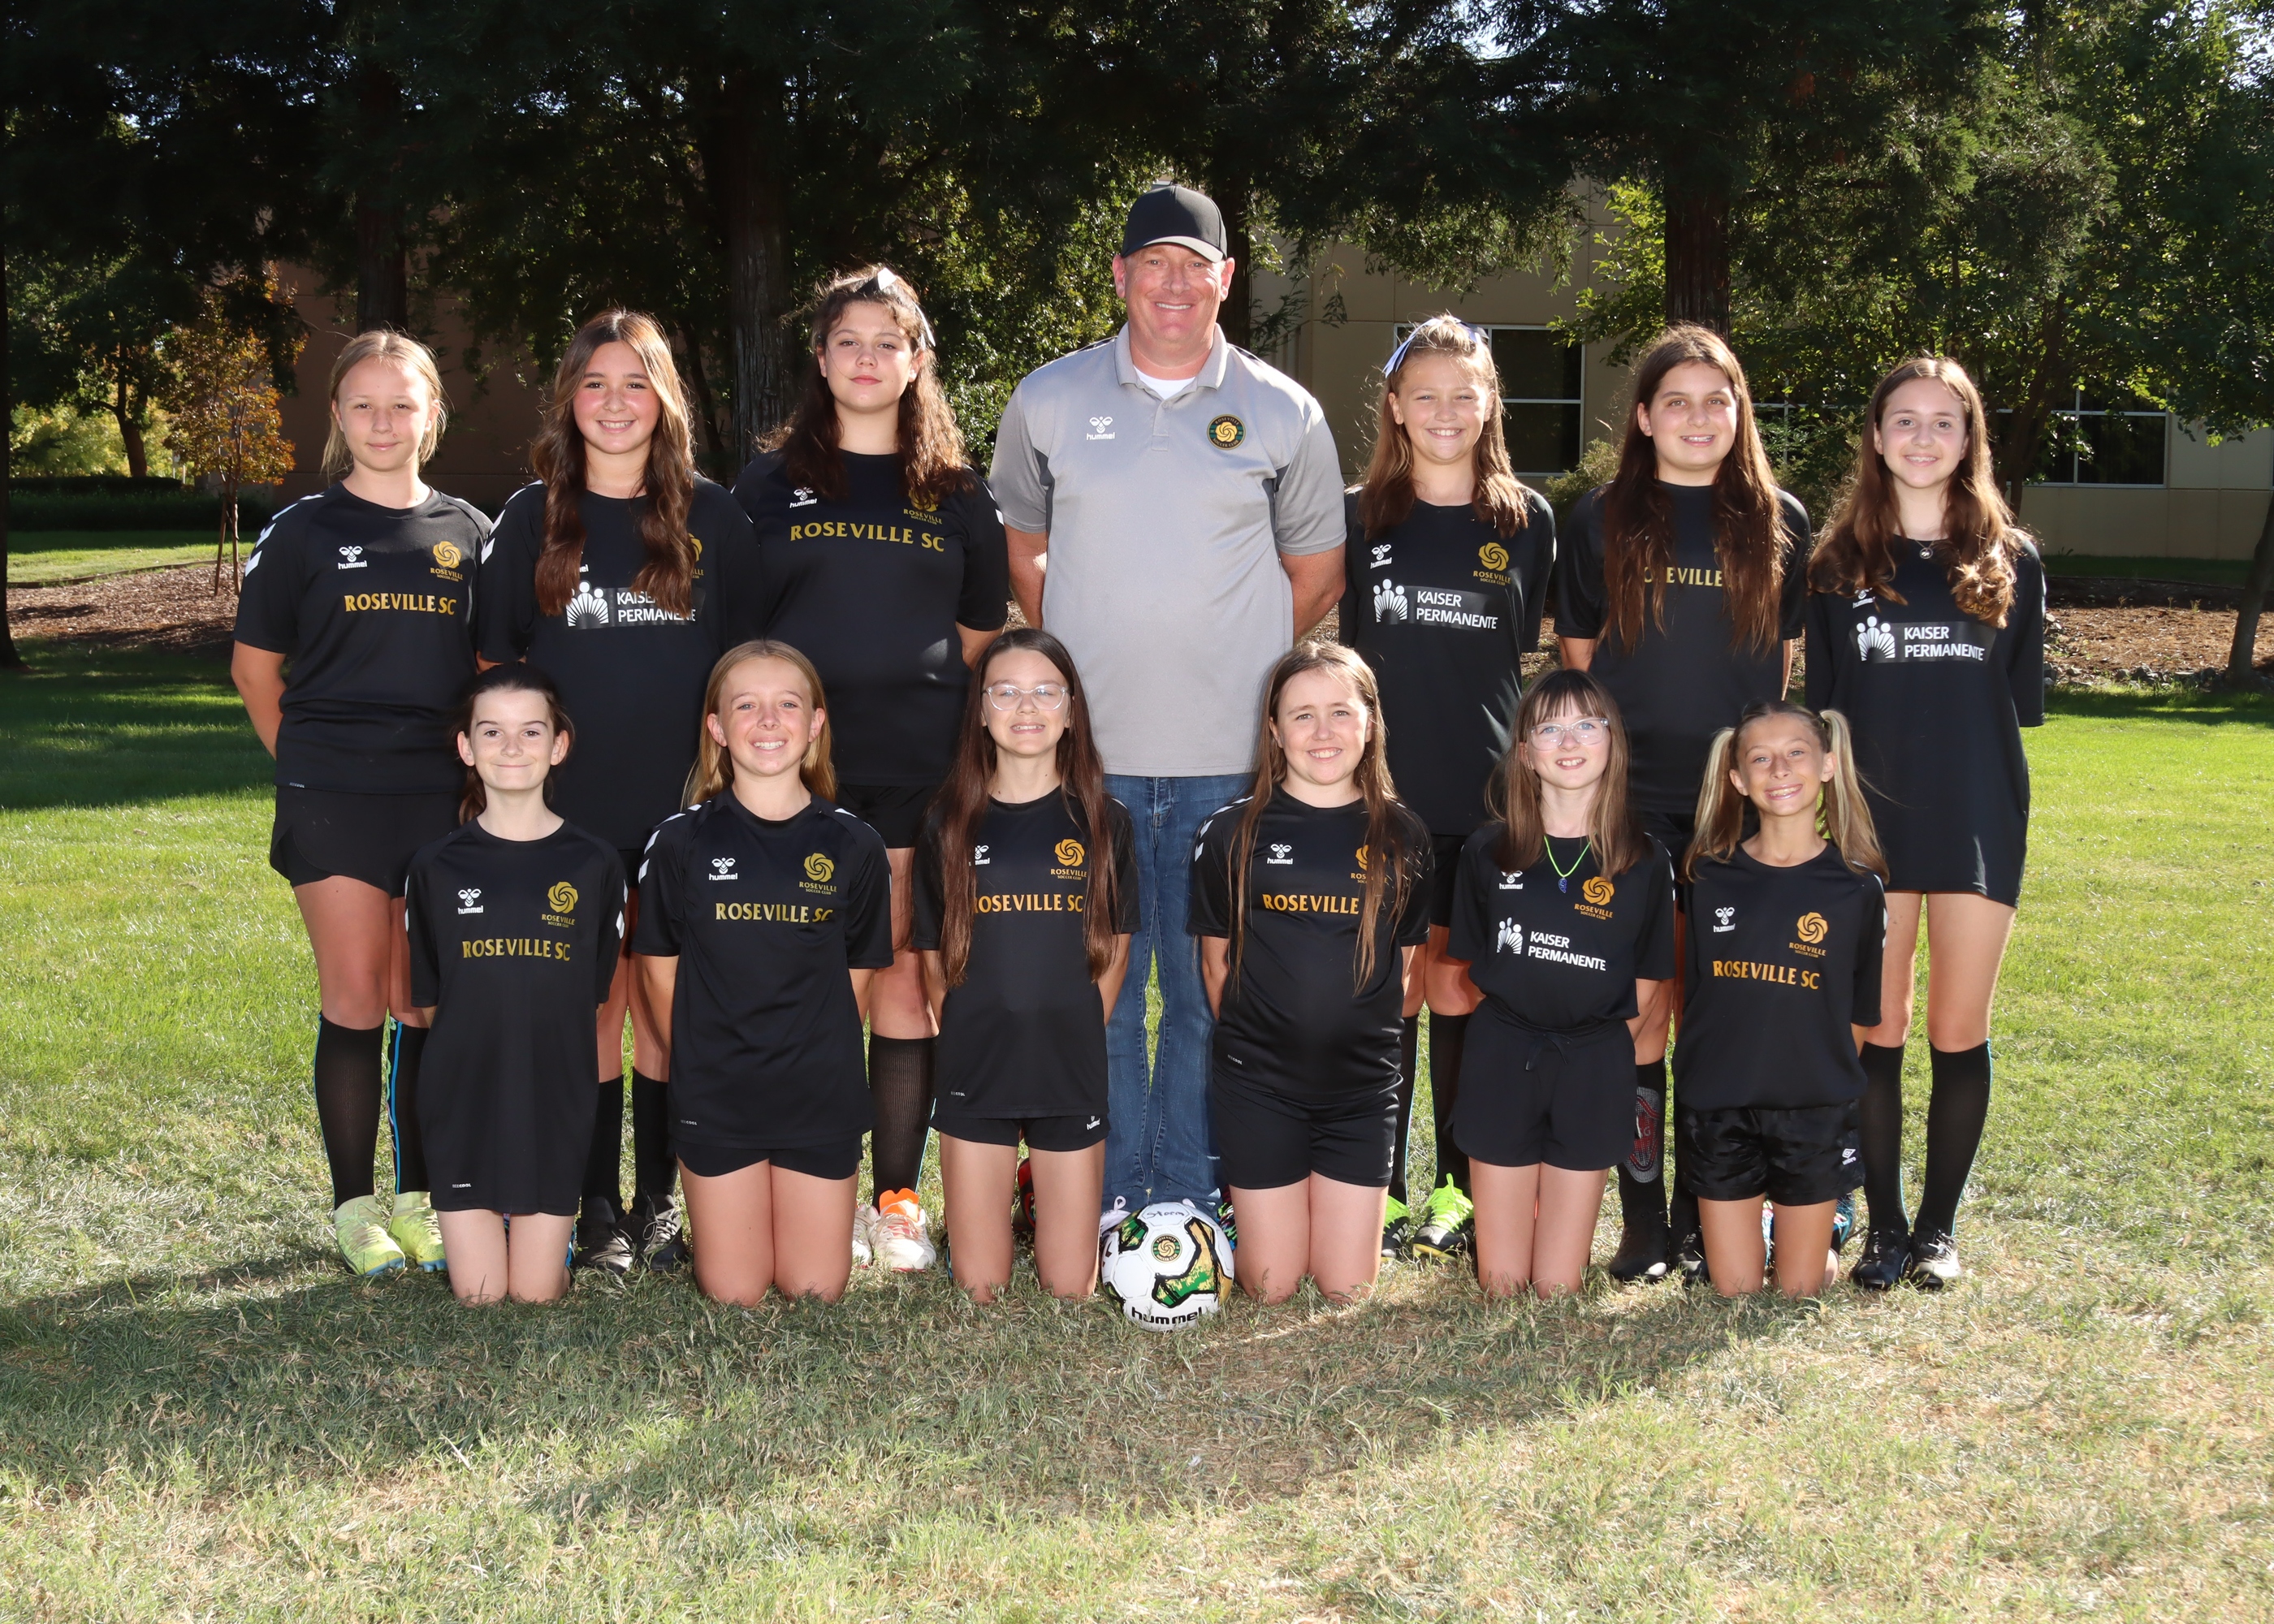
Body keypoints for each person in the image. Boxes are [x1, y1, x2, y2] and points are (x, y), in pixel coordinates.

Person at [990, 183, 1347, 1237]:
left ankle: (1186, 1194)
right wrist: (1091, 646)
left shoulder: (1284, 411)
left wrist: (1229, 653)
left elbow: (1317, 572)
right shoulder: (1048, 399)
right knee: (1096, 991)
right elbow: (1024, 548)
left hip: (1228, 763)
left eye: (1196, 265)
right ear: (1121, 276)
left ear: (1226, 278)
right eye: (1155, 263)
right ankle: (1106, 1201)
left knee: (1206, 996)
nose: (1175, 284)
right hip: (1088, 764)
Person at [735, 266, 1009, 1272]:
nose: (866, 357)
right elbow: (740, 632)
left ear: (917, 359)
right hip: (793, 770)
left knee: (897, 978)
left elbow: (977, 634)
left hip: (914, 769)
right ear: (819, 357)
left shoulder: (957, 493)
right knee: (803, 979)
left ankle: (894, 1199)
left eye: (887, 341)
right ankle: (802, 1185)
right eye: (846, 339)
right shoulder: (766, 486)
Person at [479, 309, 759, 1277]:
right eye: (594, 383)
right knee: (594, 1007)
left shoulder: (713, 517)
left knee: (671, 1007)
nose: (613, 402)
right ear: (569, 400)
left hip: (687, 813)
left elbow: (748, 669)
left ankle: (660, 1201)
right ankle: (595, 1204)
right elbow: (495, 666)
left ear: (663, 398)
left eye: (634, 383)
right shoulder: (531, 517)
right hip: (573, 817)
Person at [1555, 324, 1813, 1281]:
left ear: (1739, 412)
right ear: (1643, 416)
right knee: (1639, 1013)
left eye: (1716, 400)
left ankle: (1709, 1213)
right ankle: (1643, 1223)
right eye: (1677, 401)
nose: (1697, 418)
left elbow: (1777, 672)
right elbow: (1582, 666)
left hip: (1730, 810)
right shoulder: (1601, 518)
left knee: (1721, 1008)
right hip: (1628, 807)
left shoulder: (1778, 520)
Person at [231, 330, 491, 1276]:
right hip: (334, 794)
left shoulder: (471, 531)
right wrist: (307, 767)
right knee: (353, 997)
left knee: (420, 1001)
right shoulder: (302, 529)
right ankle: (354, 1208)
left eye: (403, 404)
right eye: (364, 406)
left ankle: (420, 1200)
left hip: (438, 798)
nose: (384, 423)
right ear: (337, 416)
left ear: (433, 414)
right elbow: (255, 670)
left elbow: (486, 670)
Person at [1805, 356, 2046, 1289]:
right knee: (1879, 1020)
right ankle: (1884, 1227)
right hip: (1872, 824)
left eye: (1943, 421)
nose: (1921, 437)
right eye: (1903, 419)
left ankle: (1938, 1231)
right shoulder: (1835, 566)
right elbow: (1825, 711)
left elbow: (2011, 709)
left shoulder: (2010, 560)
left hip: (1978, 815)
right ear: (1875, 436)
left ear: (1968, 438)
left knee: (1956, 1022)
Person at [1339, 314, 1556, 1263]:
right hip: (1381, 802)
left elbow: (1520, 653)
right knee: (1389, 992)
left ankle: (1455, 1191)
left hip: (1487, 804)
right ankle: (1379, 1189)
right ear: (1394, 406)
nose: (1443, 411)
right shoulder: (1357, 516)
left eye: (1463, 395)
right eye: (1423, 394)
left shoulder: (1526, 519)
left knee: (1463, 990)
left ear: (1489, 404)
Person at [633, 642, 893, 1306]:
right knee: (734, 1293)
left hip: (818, 1093)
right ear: (717, 728)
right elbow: (658, 973)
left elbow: (860, 975)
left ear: (816, 724)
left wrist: (813, 1053)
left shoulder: (854, 844)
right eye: (746, 705)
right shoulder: (680, 842)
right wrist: (703, 1062)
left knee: (815, 1290)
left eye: (788, 704)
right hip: (718, 1093)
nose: (768, 721)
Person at [1189, 644, 1430, 1302]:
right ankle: (1254, 1204)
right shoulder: (1230, 832)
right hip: (1261, 1089)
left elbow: (1404, 970)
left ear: (1370, 723)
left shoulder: (1404, 835)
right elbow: (1216, 968)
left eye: (1340, 712)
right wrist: (1269, 1048)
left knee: (1347, 1288)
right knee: (1272, 1287)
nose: (1323, 732)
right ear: (1274, 730)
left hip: (1360, 1092)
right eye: (1302, 715)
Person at [913, 629, 1139, 1301]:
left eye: (1046, 691)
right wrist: (965, 1032)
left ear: (1071, 711)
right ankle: (1002, 1195)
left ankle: (1040, 1191)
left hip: (1067, 1065)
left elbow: (1116, 947)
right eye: (1006, 691)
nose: (1027, 706)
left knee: (1069, 1288)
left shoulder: (1105, 821)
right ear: (981, 712)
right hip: (977, 1066)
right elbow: (934, 958)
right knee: (979, 1287)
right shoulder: (948, 822)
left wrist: (1073, 1027)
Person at [1442, 672, 1675, 1298]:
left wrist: (1596, 1046)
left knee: (1555, 1288)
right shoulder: (1487, 851)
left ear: (1613, 742)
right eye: (1549, 728)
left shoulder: (1646, 860)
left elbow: (1649, 980)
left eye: (1586, 725)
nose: (1569, 741)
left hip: (1594, 1064)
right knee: (1502, 1285)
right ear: (1525, 752)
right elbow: (1472, 969)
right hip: (1502, 1057)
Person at [406, 664, 624, 1304]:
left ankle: (548, 1248)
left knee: (534, 1295)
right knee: (478, 1296)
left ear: (559, 745)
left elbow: (592, 993)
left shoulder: (594, 863)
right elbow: (430, 998)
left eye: (531, 731)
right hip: (462, 1097)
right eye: (492, 732)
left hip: (554, 1094)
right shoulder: (435, 866)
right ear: (466, 747)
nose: (511, 747)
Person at [1677, 700, 1887, 1297]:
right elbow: (1696, 996)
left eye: (1796, 753)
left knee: (1801, 1289)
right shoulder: (1707, 875)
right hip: (1720, 1104)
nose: (1780, 769)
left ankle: (1824, 1227)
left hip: (1812, 1109)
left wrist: (1815, 1077)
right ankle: (1768, 1225)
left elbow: (1861, 1012)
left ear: (1827, 765)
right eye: (1760, 759)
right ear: (1738, 780)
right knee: (1735, 1290)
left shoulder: (1856, 886)